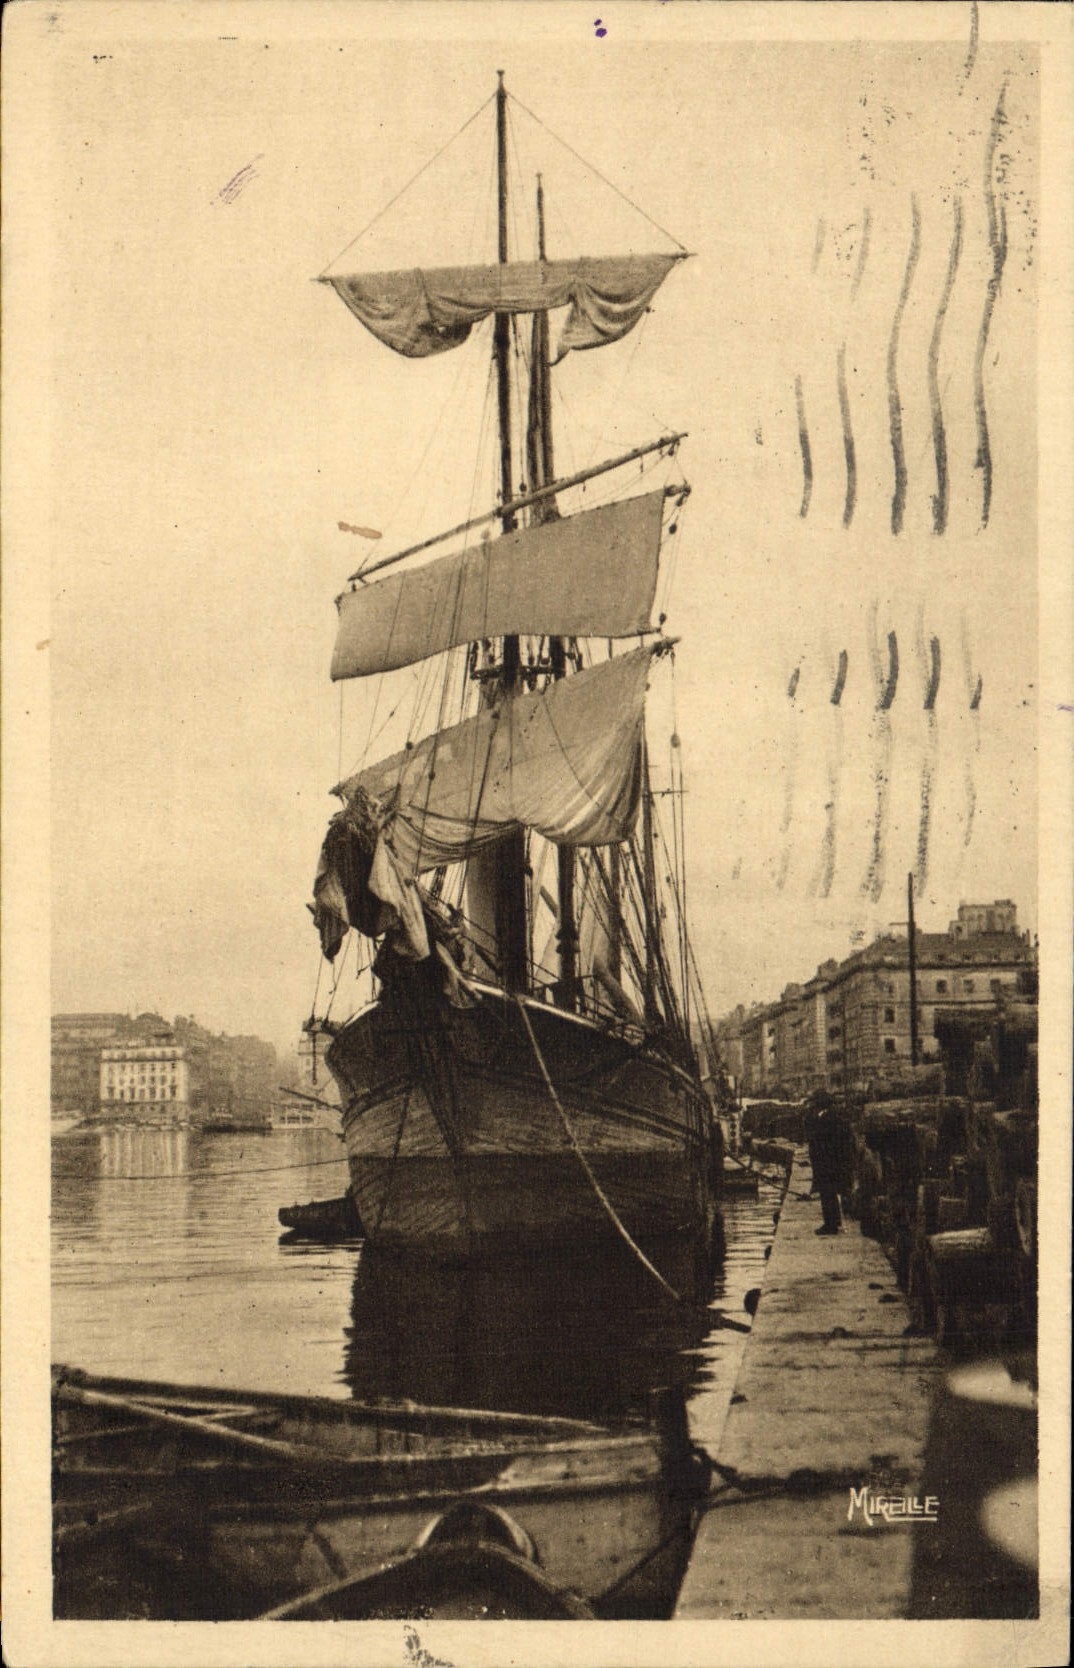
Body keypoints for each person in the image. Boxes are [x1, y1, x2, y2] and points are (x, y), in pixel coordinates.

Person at [806, 1095, 846, 1235]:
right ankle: (834, 1222)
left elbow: (823, 1142)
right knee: (830, 1193)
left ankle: (830, 1225)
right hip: (829, 1163)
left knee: (826, 1194)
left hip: (826, 1163)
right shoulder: (832, 1118)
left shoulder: (825, 1119)